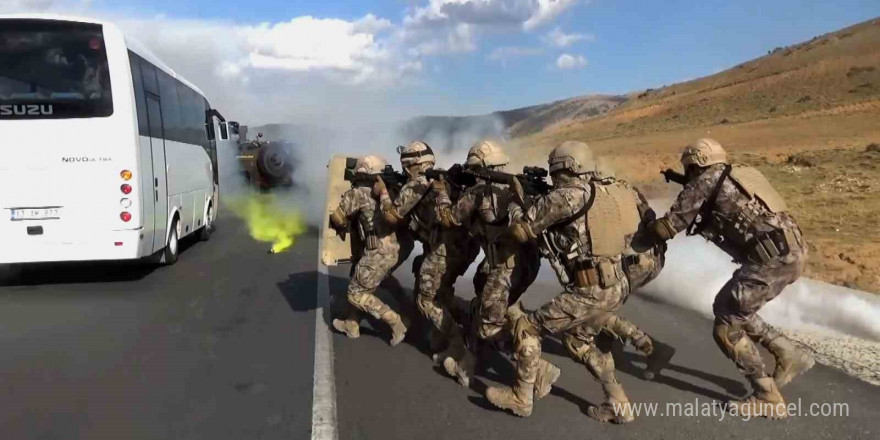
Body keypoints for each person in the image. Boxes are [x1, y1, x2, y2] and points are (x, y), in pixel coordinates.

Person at [647, 138, 813, 419]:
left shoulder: (703, 181)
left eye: (688, 169)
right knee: (734, 307)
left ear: (695, 163)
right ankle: (788, 354)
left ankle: (767, 396)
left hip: (770, 261)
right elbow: (728, 200)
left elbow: (668, 227)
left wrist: (641, 227)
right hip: (792, 251)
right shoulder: (743, 173)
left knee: (726, 323)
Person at [484, 141, 645, 422]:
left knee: (526, 328)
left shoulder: (565, 197)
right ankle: (618, 403)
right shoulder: (603, 191)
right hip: (616, 284)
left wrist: (516, 202)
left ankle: (521, 397)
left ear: (562, 167)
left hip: (588, 290)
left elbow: (521, 232)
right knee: (578, 341)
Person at [435, 139, 557, 393]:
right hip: (528, 264)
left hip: (504, 267)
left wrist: (441, 192)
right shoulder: (518, 188)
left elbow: (448, 218)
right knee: (492, 308)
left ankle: (538, 368)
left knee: (488, 325)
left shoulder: (480, 192)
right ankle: (468, 364)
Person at [374, 141, 479, 365]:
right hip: (465, 248)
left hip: (444, 249)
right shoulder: (444, 180)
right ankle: (469, 324)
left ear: (411, 165)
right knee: (442, 291)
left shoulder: (417, 185)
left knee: (426, 300)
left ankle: (458, 348)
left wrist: (383, 193)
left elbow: (392, 216)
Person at [329, 155, 409, 346]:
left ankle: (395, 322)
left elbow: (338, 219)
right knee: (366, 281)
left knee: (356, 292)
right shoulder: (388, 192)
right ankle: (351, 324)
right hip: (394, 250)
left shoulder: (357, 193)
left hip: (376, 253)